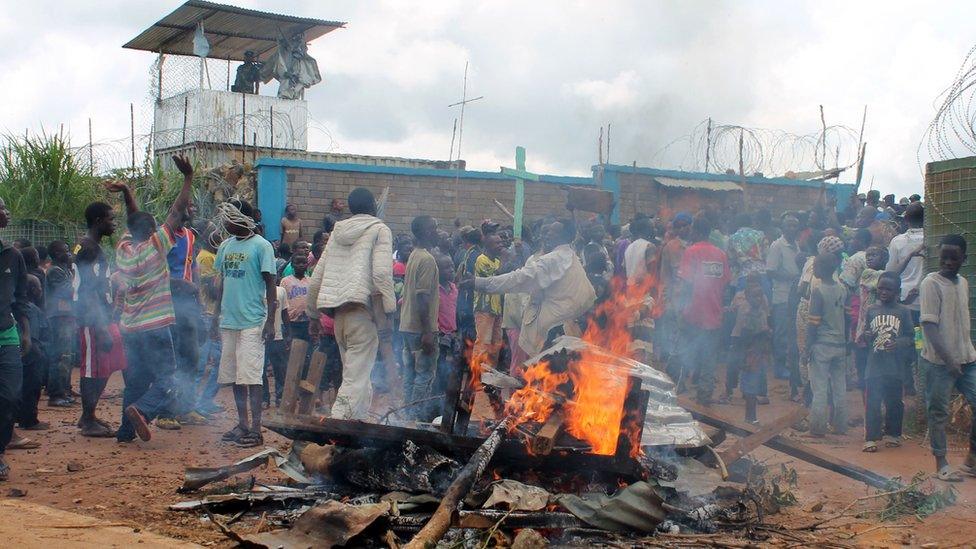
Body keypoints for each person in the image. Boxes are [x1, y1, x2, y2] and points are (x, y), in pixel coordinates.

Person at [108, 156, 195, 443]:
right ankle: (143, 412)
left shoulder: (123, 248)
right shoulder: (156, 246)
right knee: (168, 380)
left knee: (135, 382)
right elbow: (177, 210)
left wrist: (127, 193)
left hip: (130, 328)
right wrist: (188, 177)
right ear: (152, 231)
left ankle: (125, 432)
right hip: (156, 327)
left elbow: (134, 219)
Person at [306, 188, 395, 420]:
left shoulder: (337, 231)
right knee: (355, 377)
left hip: (339, 316)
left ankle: (359, 422)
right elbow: (382, 275)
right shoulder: (380, 229)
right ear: (373, 207)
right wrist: (390, 310)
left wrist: (313, 315)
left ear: (351, 208)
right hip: (362, 314)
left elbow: (317, 277)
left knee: (356, 373)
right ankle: (335, 425)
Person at [468, 219, 596, 356]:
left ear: (563, 236)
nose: (547, 235)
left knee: (547, 370)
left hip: (552, 330)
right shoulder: (569, 255)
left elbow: (518, 279)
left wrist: (479, 283)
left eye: (552, 232)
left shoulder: (554, 259)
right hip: (561, 326)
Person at [211, 198, 277, 447]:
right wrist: (215, 317)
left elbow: (271, 284)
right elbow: (222, 284)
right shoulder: (226, 246)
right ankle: (242, 424)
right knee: (235, 377)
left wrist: (270, 321)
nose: (224, 222)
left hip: (252, 321)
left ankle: (256, 430)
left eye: (228, 217)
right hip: (229, 321)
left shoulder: (261, 246)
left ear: (240, 218)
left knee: (252, 377)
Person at [919, 234, 976, 482]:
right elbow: (929, 327)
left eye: (954, 257)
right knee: (938, 412)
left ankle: (972, 460)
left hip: (967, 359)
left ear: (964, 258)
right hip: (939, 363)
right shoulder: (930, 283)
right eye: (944, 257)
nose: (948, 262)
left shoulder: (962, 283)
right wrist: (950, 360)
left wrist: (962, 357)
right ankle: (941, 464)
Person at [74, 199, 124, 438]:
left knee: (108, 362)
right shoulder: (89, 248)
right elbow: (88, 290)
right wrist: (101, 325)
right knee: (92, 368)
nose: (114, 224)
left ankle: (89, 415)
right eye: (110, 219)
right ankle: (88, 419)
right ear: (98, 221)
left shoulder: (86, 245)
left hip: (102, 317)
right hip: (93, 319)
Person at [674, 215, 731, 405]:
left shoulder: (691, 252)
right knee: (708, 357)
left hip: (693, 313)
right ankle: (705, 394)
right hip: (714, 314)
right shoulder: (721, 254)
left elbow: (686, 284)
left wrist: (681, 309)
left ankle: (675, 388)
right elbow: (725, 284)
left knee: (683, 351)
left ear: (696, 231)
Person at [862, 272, 913, 453]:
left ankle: (893, 434)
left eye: (888, 289)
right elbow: (866, 335)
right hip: (874, 365)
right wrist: (867, 336)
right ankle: (871, 437)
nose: (883, 292)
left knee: (894, 402)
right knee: (873, 402)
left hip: (895, 367)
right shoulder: (871, 310)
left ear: (897, 291)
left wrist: (898, 343)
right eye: (881, 288)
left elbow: (910, 337)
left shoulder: (903, 311)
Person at [0, 196, 30, 481]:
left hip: (6, 333)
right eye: (1, 208)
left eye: (5, 206)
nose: (6, 212)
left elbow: (21, 299)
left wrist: (26, 331)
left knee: (10, 396)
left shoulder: (12, 255)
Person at [399, 216, 441, 421]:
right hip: (420, 329)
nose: (437, 232)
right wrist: (427, 331)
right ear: (425, 232)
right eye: (434, 228)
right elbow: (422, 296)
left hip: (407, 326)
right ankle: (415, 417)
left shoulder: (415, 255)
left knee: (410, 373)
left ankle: (407, 414)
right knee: (424, 374)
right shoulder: (426, 259)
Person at [805, 252, 849, 437]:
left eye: (815, 266)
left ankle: (817, 428)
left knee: (820, 388)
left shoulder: (818, 291)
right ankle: (840, 426)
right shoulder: (842, 289)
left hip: (822, 345)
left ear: (822, 268)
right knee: (840, 387)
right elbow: (846, 317)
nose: (813, 269)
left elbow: (813, 323)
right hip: (840, 344)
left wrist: (807, 348)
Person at [728, 275, 771, 424]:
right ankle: (750, 418)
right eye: (755, 296)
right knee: (750, 389)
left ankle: (751, 418)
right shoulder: (748, 314)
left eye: (760, 296)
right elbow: (746, 337)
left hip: (758, 356)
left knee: (752, 386)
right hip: (750, 356)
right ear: (747, 297)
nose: (758, 299)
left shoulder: (760, 312)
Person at [766, 215, 801, 382]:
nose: (793, 229)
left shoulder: (796, 245)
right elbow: (770, 271)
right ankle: (779, 368)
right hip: (781, 296)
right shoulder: (777, 246)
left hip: (794, 296)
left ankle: (786, 366)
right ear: (783, 228)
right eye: (790, 226)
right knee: (780, 333)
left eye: (795, 226)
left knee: (789, 334)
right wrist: (792, 277)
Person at [45, 240, 76, 407]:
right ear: (57, 254)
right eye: (66, 250)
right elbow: (68, 292)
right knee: (59, 356)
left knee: (66, 356)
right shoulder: (54, 271)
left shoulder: (64, 270)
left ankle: (63, 391)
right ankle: (55, 394)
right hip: (58, 318)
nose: (69, 253)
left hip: (66, 317)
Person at [17, 275, 48, 433]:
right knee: (32, 387)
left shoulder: (18, 307)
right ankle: (30, 420)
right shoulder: (32, 309)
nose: (41, 290)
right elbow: (36, 335)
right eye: (39, 287)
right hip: (33, 352)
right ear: (33, 291)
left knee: (21, 387)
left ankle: (21, 418)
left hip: (21, 353)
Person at [472, 233, 505, 370]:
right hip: (484, 308)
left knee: (496, 344)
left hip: (497, 308)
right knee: (483, 344)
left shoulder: (497, 261)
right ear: (488, 245)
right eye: (497, 243)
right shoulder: (481, 260)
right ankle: (478, 377)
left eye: (501, 242)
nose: (501, 245)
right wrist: (506, 261)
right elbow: (492, 279)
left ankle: (490, 376)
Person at [434, 253, 459, 411]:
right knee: (439, 371)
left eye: (452, 266)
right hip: (440, 338)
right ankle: (435, 406)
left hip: (453, 337)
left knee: (451, 372)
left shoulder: (454, 288)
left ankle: (447, 406)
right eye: (446, 267)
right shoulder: (434, 289)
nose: (451, 269)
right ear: (437, 270)